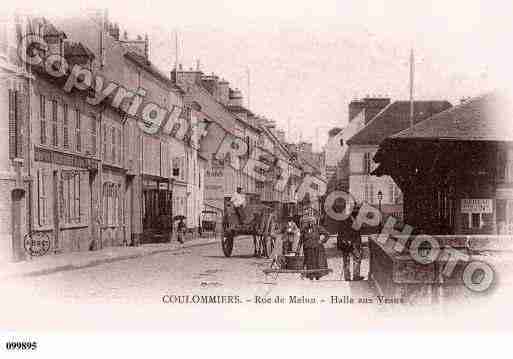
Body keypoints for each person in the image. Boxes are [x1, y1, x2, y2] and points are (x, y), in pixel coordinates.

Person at [299, 212, 330, 280]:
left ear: (315, 222)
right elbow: (301, 238)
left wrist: (321, 241)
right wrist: (299, 248)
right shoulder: (305, 229)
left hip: (316, 248)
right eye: (309, 221)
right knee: (309, 262)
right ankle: (310, 275)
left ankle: (317, 275)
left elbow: (327, 234)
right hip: (308, 249)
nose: (310, 223)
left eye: (312, 221)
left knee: (316, 262)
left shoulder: (318, 228)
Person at [338, 207, 363, 281]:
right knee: (356, 258)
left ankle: (348, 277)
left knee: (347, 259)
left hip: (348, 242)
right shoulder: (348, 219)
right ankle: (355, 276)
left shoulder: (345, 219)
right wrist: (348, 240)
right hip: (351, 242)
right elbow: (345, 231)